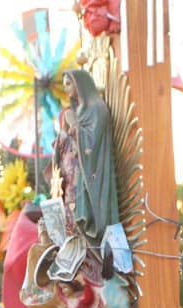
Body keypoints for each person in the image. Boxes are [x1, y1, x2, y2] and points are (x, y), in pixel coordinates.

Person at [62, 69, 119, 244]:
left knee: (93, 222)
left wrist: (75, 127)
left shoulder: (96, 108)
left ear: (81, 83)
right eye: (64, 84)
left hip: (95, 171)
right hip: (82, 174)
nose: (66, 88)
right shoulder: (79, 111)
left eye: (69, 83)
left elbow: (93, 144)